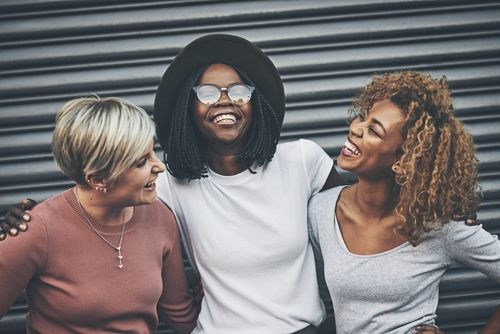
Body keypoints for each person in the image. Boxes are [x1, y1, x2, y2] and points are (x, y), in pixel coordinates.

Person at [1, 35, 478, 334]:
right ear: (190, 107)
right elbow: (97, 208)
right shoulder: (168, 186)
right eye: (207, 93)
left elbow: (375, 200)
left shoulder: (302, 161)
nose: (224, 101)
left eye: (238, 90)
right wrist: (24, 221)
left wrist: (442, 208)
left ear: (256, 103)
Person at [307, 71, 500, 334]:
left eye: (374, 130)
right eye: (362, 117)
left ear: (404, 161)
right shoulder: (320, 211)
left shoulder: (439, 227)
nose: (354, 128)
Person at [0, 96, 198, 333]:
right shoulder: (36, 230)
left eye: (153, 152)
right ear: (99, 179)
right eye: (141, 162)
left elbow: (182, 317)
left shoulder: (160, 218)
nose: (160, 167)